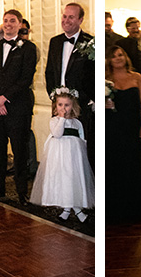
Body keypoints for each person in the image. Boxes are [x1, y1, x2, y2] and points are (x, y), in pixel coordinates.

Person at [0, 9, 37, 204]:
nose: (8, 24)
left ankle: (22, 191)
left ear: (20, 24)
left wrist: (5, 97)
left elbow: (25, 78)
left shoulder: (28, 49)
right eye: (5, 20)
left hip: (17, 107)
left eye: (12, 21)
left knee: (20, 150)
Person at [30, 88, 94, 221]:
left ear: (72, 106)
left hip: (73, 157)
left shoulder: (77, 123)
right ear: (55, 106)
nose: (63, 108)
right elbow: (58, 133)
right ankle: (75, 212)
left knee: (72, 181)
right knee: (63, 180)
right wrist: (62, 119)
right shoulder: (54, 121)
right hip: (59, 156)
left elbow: (83, 140)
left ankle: (70, 211)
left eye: (67, 105)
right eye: (60, 105)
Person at [45, 2, 94, 166]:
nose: (66, 20)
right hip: (59, 106)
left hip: (81, 107)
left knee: (81, 149)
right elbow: (49, 72)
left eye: (71, 17)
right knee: (59, 148)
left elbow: (93, 75)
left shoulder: (91, 43)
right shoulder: (55, 42)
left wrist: (88, 100)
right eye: (64, 16)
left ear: (80, 20)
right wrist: (54, 97)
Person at [105, 46, 141, 223]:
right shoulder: (105, 79)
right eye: (114, 56)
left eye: (121, 55)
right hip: (112, 128)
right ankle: (114, 210)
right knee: (113, 167)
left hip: (132, 127)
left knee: (131, 165)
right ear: (108, 60)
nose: (118, 58)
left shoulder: (137, 77)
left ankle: (133, 209)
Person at [116, 17, 141, 84]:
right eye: (133, 28)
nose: (136, 30)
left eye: (138, 28)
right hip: (125, 78)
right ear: (128, 29)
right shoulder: (120, 44)